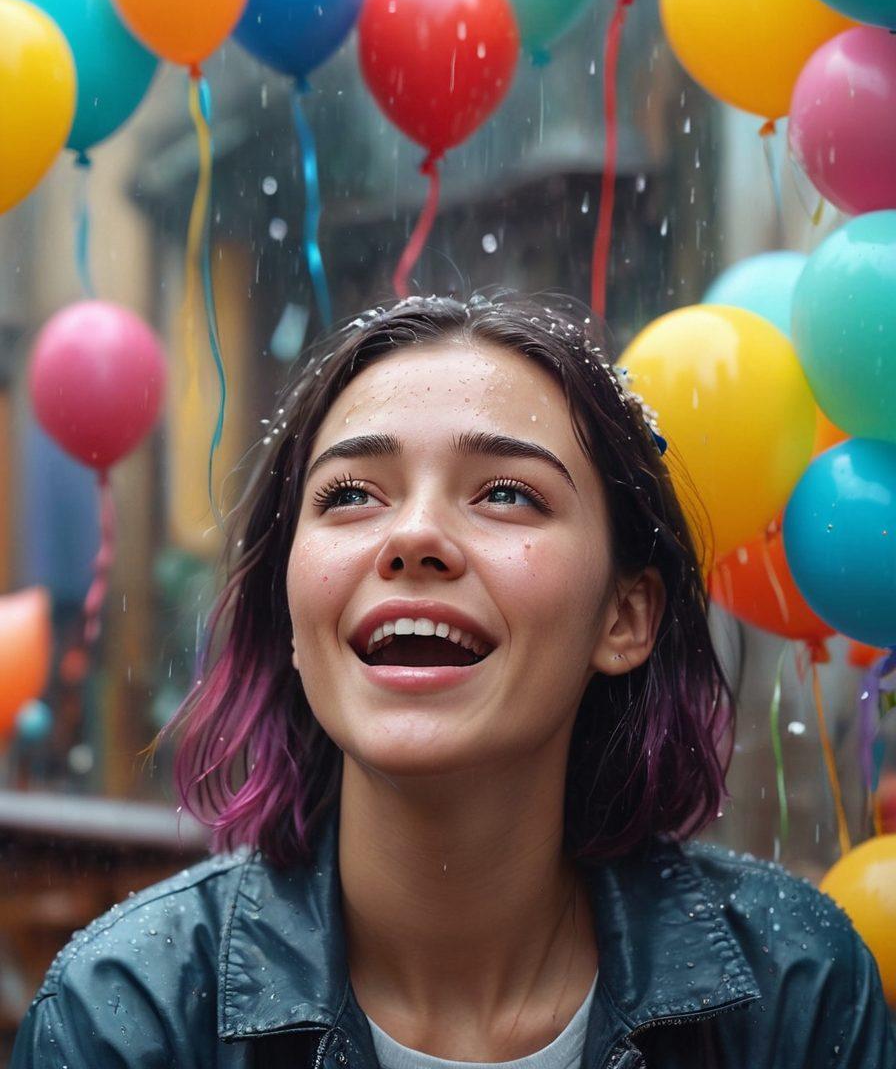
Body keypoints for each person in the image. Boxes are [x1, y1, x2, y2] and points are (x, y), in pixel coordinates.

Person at [12, 294, 895, 1068]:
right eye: (352, 493)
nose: (415, 534)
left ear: (625, 617)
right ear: (291, 612)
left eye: (507, 494)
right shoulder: (130, 1014)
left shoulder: (798, 995)